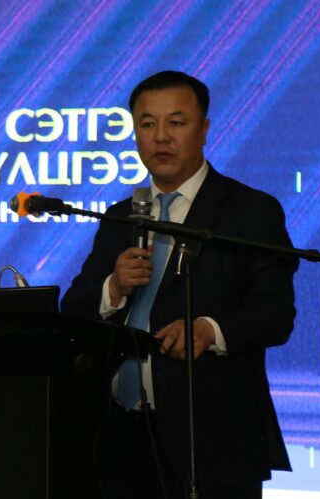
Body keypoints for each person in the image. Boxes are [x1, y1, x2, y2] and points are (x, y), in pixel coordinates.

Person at [61, 71, 297, 499]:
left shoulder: (249, 211)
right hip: (118, 440)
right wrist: (113, 288)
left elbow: (274, 314)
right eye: (147, 124)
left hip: (212, 440)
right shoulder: (120, 217)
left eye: (176, 122)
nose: (161, 137)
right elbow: (74, 308)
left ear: (203, 129)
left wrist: (209, 330)